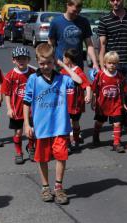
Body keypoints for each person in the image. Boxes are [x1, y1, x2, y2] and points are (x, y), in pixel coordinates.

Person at [23, 43, 83, 204]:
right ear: (36, 61)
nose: (45, 66)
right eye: (42, 63)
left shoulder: (62, 79)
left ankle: (58, 187)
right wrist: (26, 124)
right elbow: (26, 102)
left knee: (61, 156)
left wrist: (63, 65)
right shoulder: (33, 79)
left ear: (53, 61)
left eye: (49, 62)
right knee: (42, 158)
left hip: (60, 126)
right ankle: (45, 187)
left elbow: (78, 80)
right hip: (41, 127)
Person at [97, 0, 127, 129]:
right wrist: (102, 66)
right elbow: (102, 44)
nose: (115, 2)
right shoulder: (105, 19)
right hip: (112, 63)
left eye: (118, 0)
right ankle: (117, 116)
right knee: (112, 93)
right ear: (109, 2)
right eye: (113, 0)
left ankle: (121, 112)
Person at [2, 47, 36, 164]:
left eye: (24, 59)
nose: (21, 61)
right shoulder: (10, 76)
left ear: (28, 60)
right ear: (13, 60)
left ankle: (31, 148)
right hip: (16, 110)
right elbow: (6, 93)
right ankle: (18, 152)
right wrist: (9, 108)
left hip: (31, 110)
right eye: (18, 59)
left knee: (31, 131)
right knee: (18, 132)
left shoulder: (33, 73)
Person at [91, 51, 127, 153]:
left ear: (117, 64)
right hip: (103, 105)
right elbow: (95, 90)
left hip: (116, 104)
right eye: (110, 63)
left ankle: (116, 143)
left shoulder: (119, 77)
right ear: (105, 63)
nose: (112, 65)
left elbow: (123, 91)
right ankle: (96, 134)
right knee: (100, 122)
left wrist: (124, 103)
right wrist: (94, 101)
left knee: (117, 123)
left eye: (114, 63)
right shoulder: (100, 75)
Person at [48, 0, 99, 71]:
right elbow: (50, 44)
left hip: (77, 66)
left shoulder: (84, 22)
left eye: (78, 12)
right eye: (74, 11)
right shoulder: (56, 22)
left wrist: (95, 63)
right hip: (60, 65)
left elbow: (89, 44)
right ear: (67, 5)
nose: (76, 14)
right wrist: (51, 60)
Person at [60, 48, 92, 153]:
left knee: (75, 123)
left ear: (69, 59)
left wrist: (88, 95)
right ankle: (70, 141)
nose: (63, 59)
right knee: (67, 122)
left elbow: (86, 84)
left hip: (76, 103)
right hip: (65, 104)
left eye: (64, 57)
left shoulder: (78, 71)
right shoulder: (63, 71)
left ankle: (76, 136)